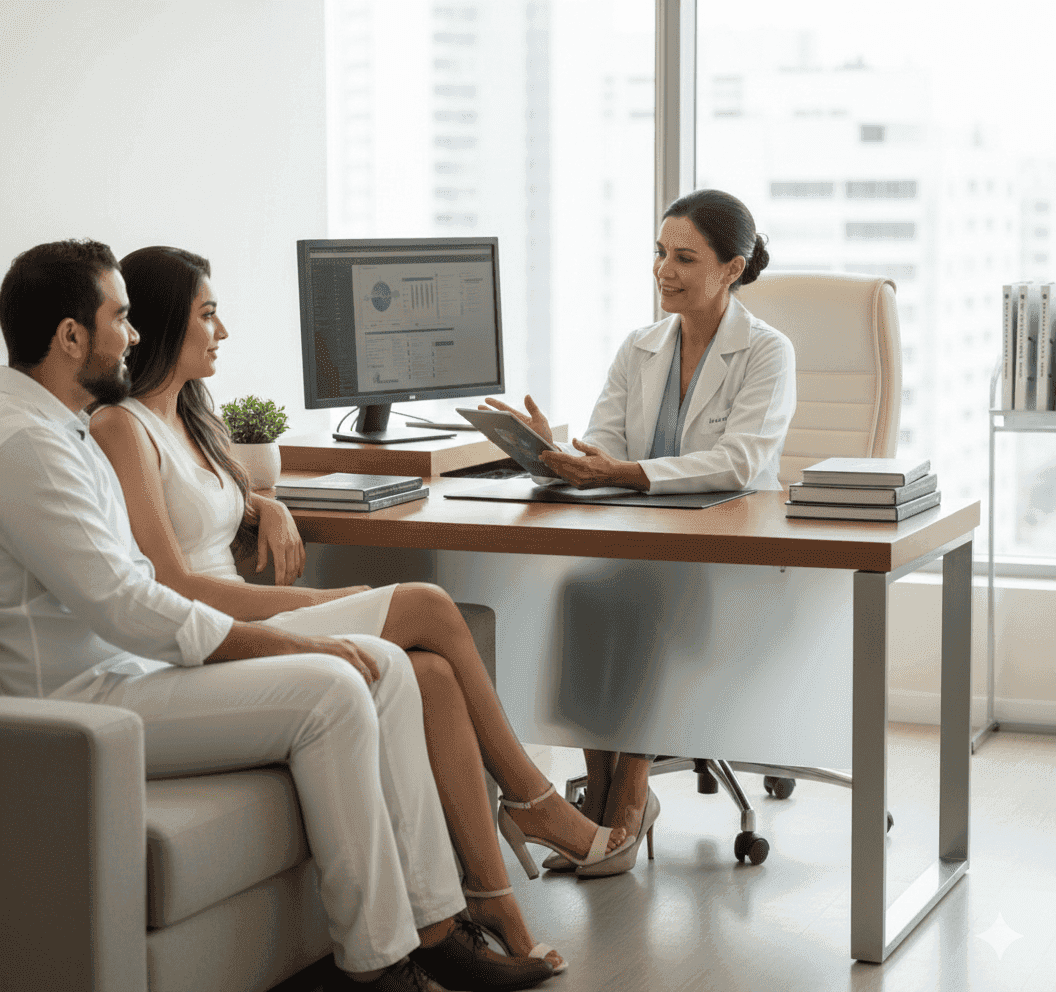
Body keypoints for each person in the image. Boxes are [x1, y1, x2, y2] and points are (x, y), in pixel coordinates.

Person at [0, 239, 558, 992]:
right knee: (331, 690)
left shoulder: (63, 428)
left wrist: (260, 504)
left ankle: (432, 928)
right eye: (119, 318)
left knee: (390, 664)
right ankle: (380, 963)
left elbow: (135, 579)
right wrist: (267, 641)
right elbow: (124, 601)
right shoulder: (27, 445)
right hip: (81, 704)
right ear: (71, 337)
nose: (132, 335)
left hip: (127, 671)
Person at [481, 189, 797, 876]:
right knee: (581, 594)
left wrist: (622, 472)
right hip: (639, 551)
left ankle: (628, 794)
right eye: (659, 253)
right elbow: (605, 444)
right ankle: (600, 798)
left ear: (732, 269)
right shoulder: (640, 347)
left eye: (685, 257)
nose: (664, 270)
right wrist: (554, 451)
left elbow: (738, 461)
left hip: (727, 558)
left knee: (641, 600)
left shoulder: (767, 353)